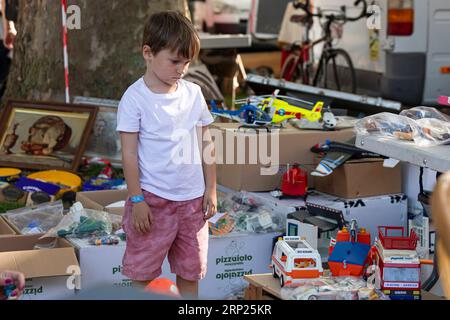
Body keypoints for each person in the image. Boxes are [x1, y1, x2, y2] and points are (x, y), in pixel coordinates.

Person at [116, 11, 217, 299]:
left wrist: (210, 189)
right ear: (148, 53)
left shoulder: (194, 93)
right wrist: (137, 199)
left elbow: (206, 142)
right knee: (143, 275)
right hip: (152, 201)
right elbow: (129, 153)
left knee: (190, 272)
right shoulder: (134, 98)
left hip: (192, 203)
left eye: (186, 62)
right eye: (175, 61)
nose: (182, 68)